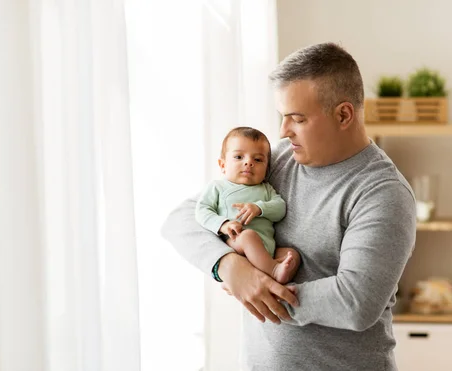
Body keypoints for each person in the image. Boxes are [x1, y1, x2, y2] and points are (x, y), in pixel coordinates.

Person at [162, 42, 416, 371]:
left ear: (343, 115)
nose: (283, 131)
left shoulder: (382, 193)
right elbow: (182, 219)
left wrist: (258, 290)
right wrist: (229, 267)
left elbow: (355, 301)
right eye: (282, 117)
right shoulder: (279, 159)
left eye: (297, 118)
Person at [195, 126, 300, 284]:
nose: (248, 162)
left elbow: (280, 208)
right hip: (237, 243)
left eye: (257, 159)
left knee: (292, 255)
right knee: (249, 236)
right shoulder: (218, 187)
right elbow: (202, 211)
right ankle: (273, 271)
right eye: (238, 157)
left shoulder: (265, 189)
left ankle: (274, 281)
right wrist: (223, 224)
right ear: (222, 165)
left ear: (267, 169)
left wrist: (259, 208)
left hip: (266, 249)